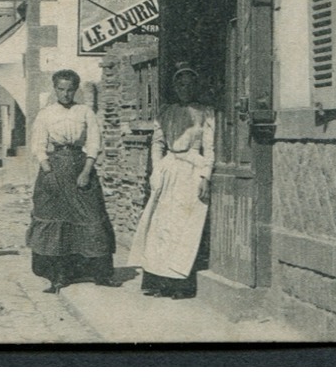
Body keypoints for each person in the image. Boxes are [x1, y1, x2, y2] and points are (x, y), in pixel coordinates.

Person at [128, 65, 216, 299]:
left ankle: (180, 284)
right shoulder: (166, 112)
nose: (184, 89)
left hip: (190, 171)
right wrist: (157, 170)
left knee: (184, 227)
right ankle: (159, 281)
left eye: (189, 84)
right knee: (161, 227)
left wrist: (205, 175)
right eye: (180, 84)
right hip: (169, 168)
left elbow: (210, 148)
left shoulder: (205, 113)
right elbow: (157, 143)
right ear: (174, 87)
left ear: (196, 87)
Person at [26, 68, 118, 293]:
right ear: (55, 89)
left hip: (80, 166)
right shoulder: (46, 114)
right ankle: (58, 275)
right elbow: (38, 145)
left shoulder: (84, 111)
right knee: (56, 219)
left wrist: (87, 171)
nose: (65, 94)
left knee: (92, 216)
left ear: (75, 90)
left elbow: (94, 142)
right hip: (54, 168)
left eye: (70, 90)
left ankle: (99, 272)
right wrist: (49, 173)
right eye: (61, 89)